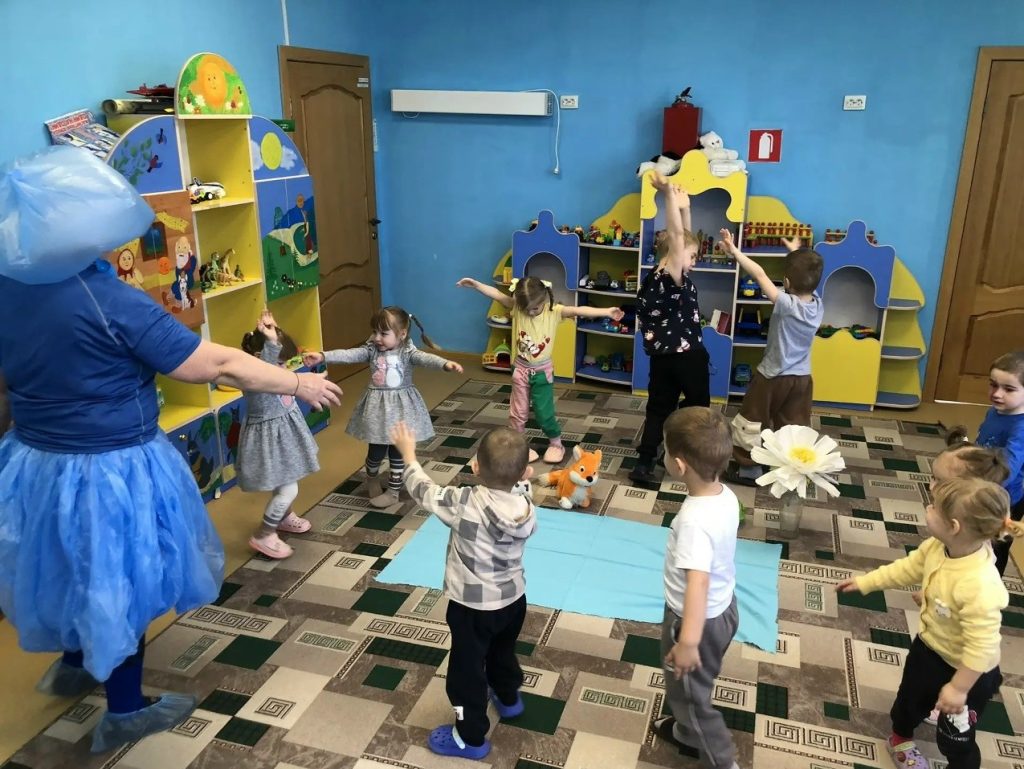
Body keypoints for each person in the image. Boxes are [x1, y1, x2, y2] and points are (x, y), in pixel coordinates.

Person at [0, 265, 341, 754]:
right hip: (107, 469)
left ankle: (75, 666)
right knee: (121, 578)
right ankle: (125, 711)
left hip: (35, 462)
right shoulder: (106, 298)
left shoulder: (11, 284)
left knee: (68, 563)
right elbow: (215, 365)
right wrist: (296, 382)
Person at [837, 477, 1023, 769]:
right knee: (910, 698)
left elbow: (982, 646)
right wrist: (867, 582)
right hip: (930, 647)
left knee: (955, 736)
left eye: (934, 507)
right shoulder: (938, 546)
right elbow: (908, 568)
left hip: (968, 669)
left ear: (954, 526)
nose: (927, 508)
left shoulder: (981, 585)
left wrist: (958, 688)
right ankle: (900, 737)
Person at [390, 420, 536, 761]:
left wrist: (409, 456)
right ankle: (509, 698)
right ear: (524, 473)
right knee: (502, 650)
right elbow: (517, 482)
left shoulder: (463, 501)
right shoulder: (526, 502)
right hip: (513, 600)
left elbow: (424, 490)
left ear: (475, 467)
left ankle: (469, 738)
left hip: (472, 608)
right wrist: (522, 476)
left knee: (465, 672)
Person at [652, 407, 742, 769]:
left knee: (690, 699)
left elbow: (698, 583)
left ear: (679, 465)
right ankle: (686, 732)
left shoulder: (693, 521)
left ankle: (722, 761)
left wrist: (688, 641)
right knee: (696, 683)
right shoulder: (725, 495)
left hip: (694, 623)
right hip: (724, 610)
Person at [302, 306, 463, 508]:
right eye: (375, 332)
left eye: (383, 333)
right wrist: (324, 356)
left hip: (402, 410)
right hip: (377, 411)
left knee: (398, 451)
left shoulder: (407, 352)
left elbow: (426, 358)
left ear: (402, 334)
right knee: (376, 451)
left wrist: (445, 364)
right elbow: (349, 355)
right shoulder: (371, 350)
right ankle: (372, 477)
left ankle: (393, 492)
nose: (377, 338)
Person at [457, 275, 624, 463]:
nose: (529, 312)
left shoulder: (554, 311)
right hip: (520, 369)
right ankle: (520, 446)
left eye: (534, 308)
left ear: (544, 300)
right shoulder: (518, 307)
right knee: (517, 413)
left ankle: (556, 444)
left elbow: (579, 309)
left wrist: (607, 311)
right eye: (526, 309)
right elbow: (496, 294)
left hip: (542, 372)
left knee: (544, 412)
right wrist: (476, 284)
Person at [718, 228, 824, 485]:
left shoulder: (786, 304)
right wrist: (796, 253)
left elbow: (759, 274)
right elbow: (806, 278)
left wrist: (735, 251)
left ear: (786, 282)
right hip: (802, 378)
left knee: (752, 420)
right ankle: (793, 468)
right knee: (794, 425)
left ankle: (749, 469)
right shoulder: (818, 305)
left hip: (773, 376)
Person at [630, 175, 708, 484]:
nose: (694, 262)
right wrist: (668, 197)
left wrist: (685, 208)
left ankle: (645, 461)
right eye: (693, 257)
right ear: (675, 253)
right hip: (688, 357)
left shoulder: (655, 276)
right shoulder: (673, 275)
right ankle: (693, 456)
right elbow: (679, 237)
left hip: (661, 359)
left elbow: (684, 237)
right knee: (699, 408)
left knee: (658, 409)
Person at [237, 309, 320, 560]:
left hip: (284, 440)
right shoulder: (256, 380)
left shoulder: (276, 375)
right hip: (269, 445)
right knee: (288, 490)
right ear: (261, 358)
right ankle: (265, 534)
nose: (285, 369)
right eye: (280, 363)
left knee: (285, 481)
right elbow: (266, 368)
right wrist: (271, 341)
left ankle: (283, 517)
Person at [966, 350, 1024, 575]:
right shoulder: (996, 411)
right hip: (982, 488)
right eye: (993, 385)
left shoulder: (1020, 427)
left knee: (995, 548)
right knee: (973, 538)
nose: (997, 394)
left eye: (1008, 389)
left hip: (1005, 499)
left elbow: (1008, 468)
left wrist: (977, 484)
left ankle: (990, 587)